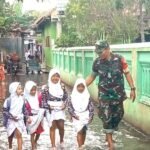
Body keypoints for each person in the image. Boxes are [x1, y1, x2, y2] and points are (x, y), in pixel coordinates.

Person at [86, 40, 136, 150]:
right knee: (107, 117)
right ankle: (110, 144)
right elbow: (92, 76)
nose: (99, 54)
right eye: (98, 52)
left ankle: (108, 134)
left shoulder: (119, 59)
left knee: (118, 115)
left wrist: (132, 88)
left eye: (101, 52)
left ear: (108, 49)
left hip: (118, 95)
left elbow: (127, 73)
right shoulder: (97, 62)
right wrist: (81, 86)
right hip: (104, 95)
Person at [41, 68, 68, 150]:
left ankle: (61, 140)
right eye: (53, 76)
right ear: (50, 77)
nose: (55, 78)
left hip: (60, 108)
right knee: (52, 127)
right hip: (50, 109)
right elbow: (43, 101)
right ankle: (53, 145)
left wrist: (64, 104)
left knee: (61, 126)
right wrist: (48, 106)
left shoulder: (62, 87)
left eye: (57, 76)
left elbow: (66, 98)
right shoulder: (46, 88)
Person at [68, 78, 94, 149]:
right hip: (76, 115)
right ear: (76, 87)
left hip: (85, 115)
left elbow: (91, 107)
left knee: (84, 130)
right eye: (79, 86)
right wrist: (73, 115)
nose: (80, 88)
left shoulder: (87, 96)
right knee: (79, 131)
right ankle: (80, 147)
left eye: (82, 86)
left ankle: (82, 145)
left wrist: (91, 116)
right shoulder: (72, 97)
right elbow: (70, 107)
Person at [2, 82, 26, 150]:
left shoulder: (22, 99)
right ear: (13, 90)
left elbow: (24, 110)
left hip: (19, 120)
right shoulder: (8, 100)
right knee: (10, 135)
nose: (21, 90)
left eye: (21, 88)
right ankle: (10, 146)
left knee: (19, 135)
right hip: (11, 120)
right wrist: (11, 116)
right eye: (19, 89)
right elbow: (4, 111)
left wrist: (27, 117)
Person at [24, 81, 45, 150]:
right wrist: (27, 117)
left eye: (34, 90)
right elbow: (25, 110)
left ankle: (35, 141)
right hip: (31, 118)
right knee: (32, 133)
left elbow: (42, 103)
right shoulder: (25, 99)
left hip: (38, 117)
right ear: (27, 90)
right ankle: (33, 147)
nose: (33, 91)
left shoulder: (38, 96)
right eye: (31, 90)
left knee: (38, 132)